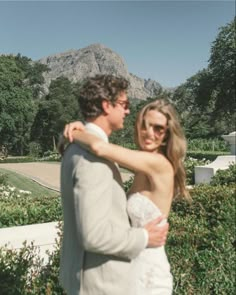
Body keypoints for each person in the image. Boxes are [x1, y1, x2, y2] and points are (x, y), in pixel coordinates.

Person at [63, 98, 190, 295]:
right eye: (144, 125)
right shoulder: (143, 166)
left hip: (150, 271)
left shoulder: (159, 164)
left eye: (158, 128)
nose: (149, 133)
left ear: (166, 135)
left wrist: (77, 132)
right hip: (130, 262)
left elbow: (100, 148)